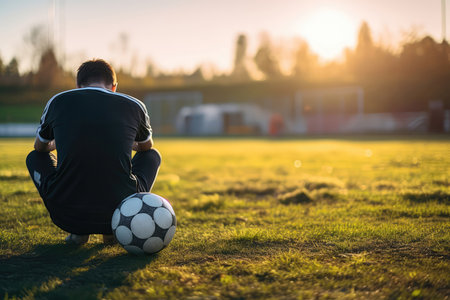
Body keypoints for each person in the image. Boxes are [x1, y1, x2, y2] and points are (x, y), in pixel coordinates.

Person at [26, 59, 161, 245]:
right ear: (114, 86)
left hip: (67, 215)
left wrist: (62, 140)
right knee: (152, 156)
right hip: (118, 211)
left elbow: (39, 147)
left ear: (78, 85)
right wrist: (123, 140)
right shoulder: (134, 105)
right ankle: (114, 228)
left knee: (34, 157)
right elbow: (146, 147)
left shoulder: (58, 101)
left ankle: (77, 232)